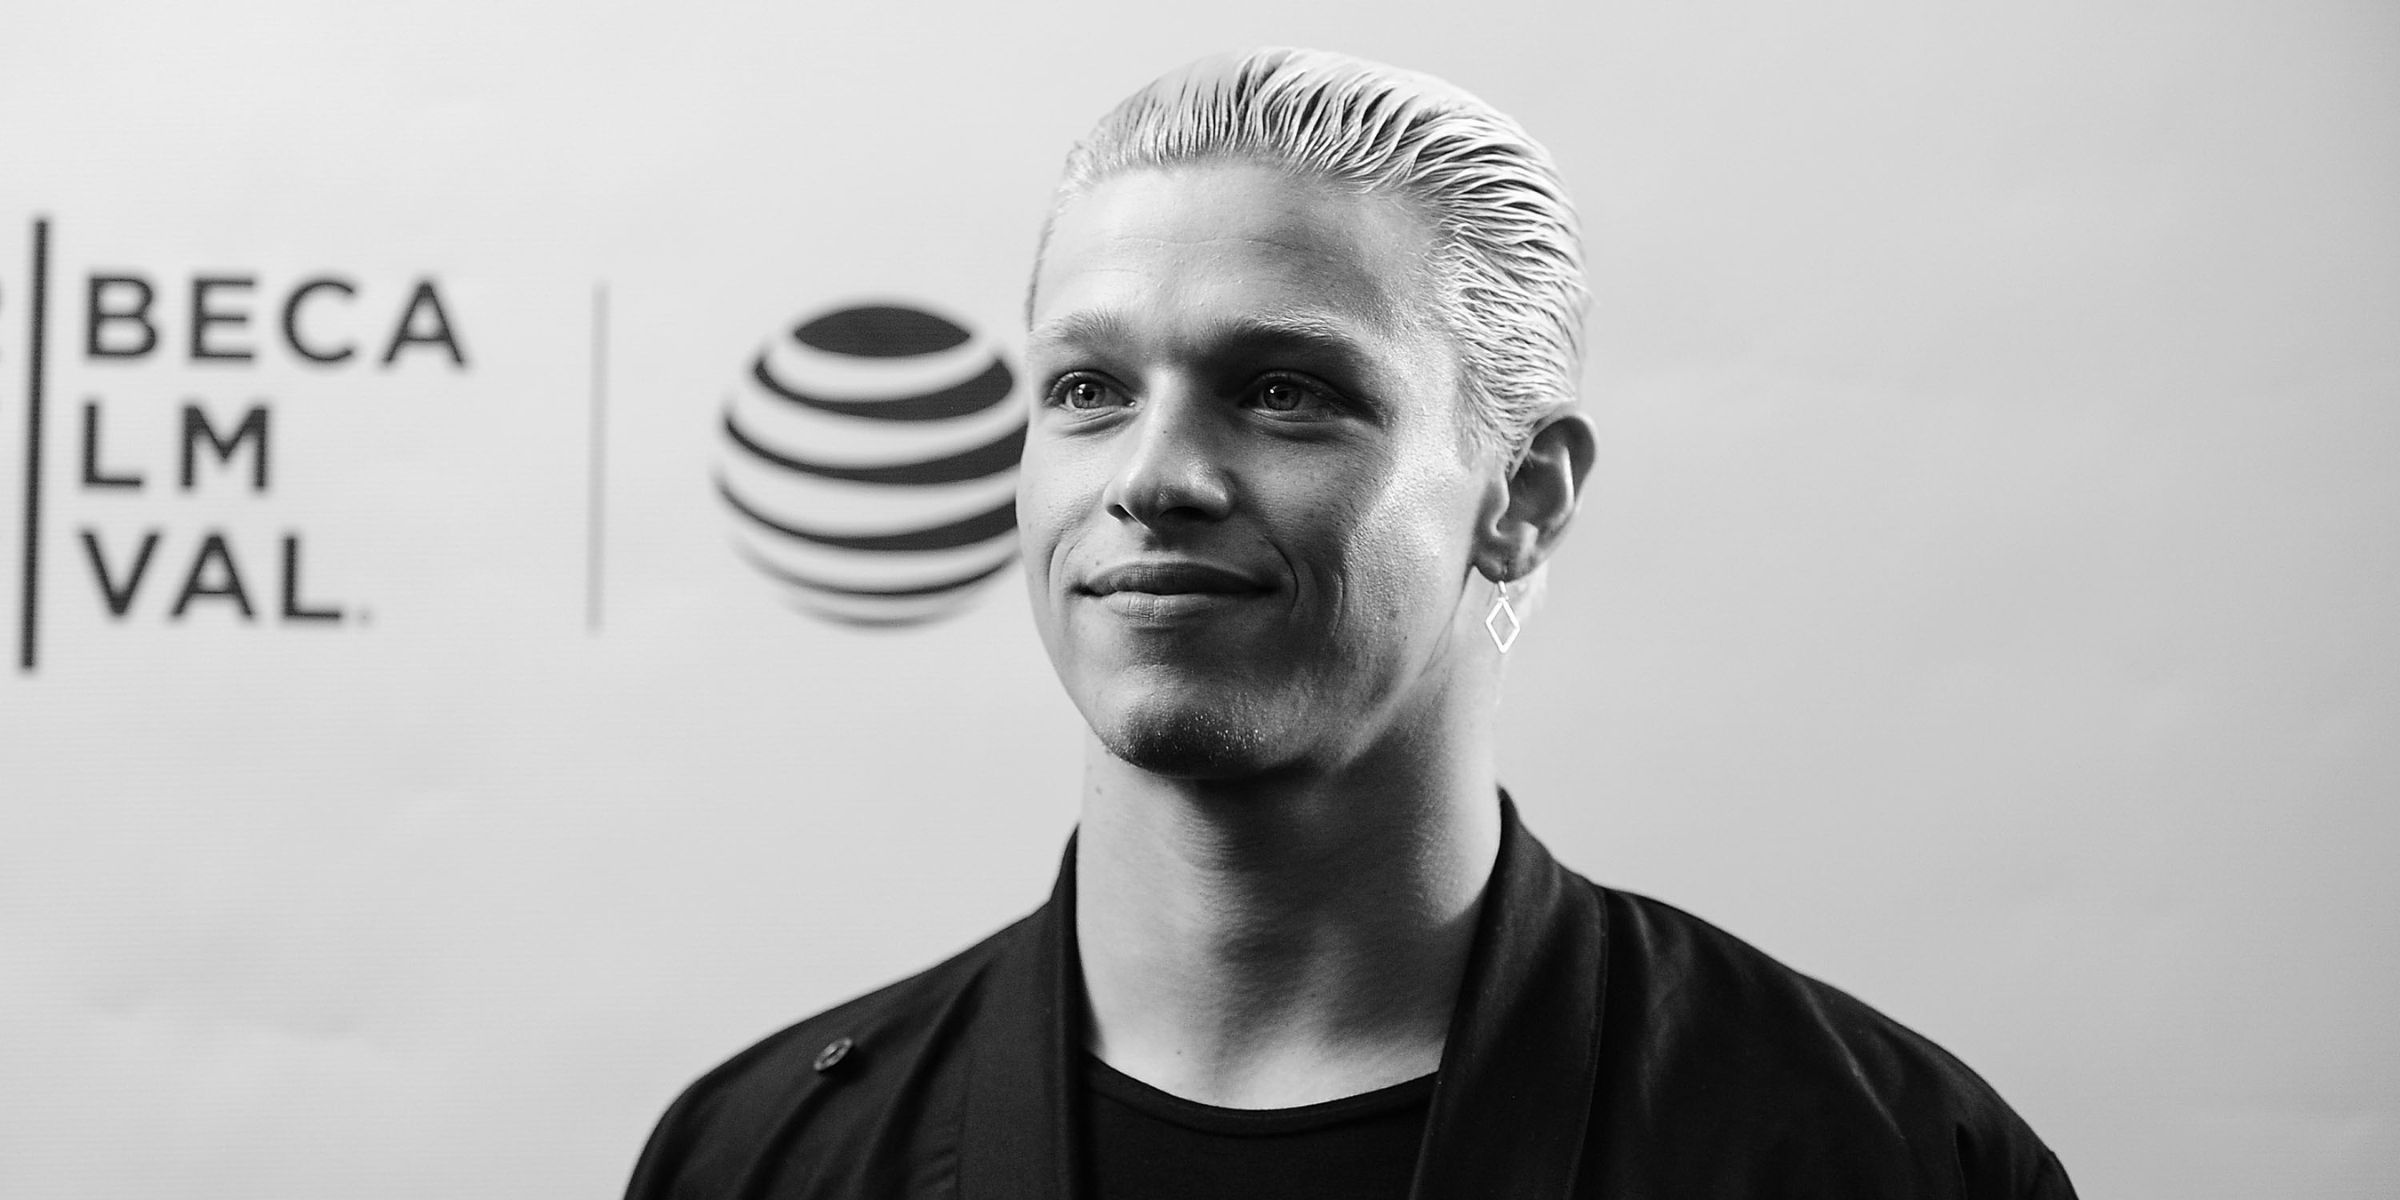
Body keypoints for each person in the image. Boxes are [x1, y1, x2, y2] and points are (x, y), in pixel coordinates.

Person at [626, 48, 2078, 1199]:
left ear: (1521, 494)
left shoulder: (1868, 1158)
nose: (1153, 478)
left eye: (1284, 391)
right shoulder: (764, 1159)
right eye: (1088, 390)